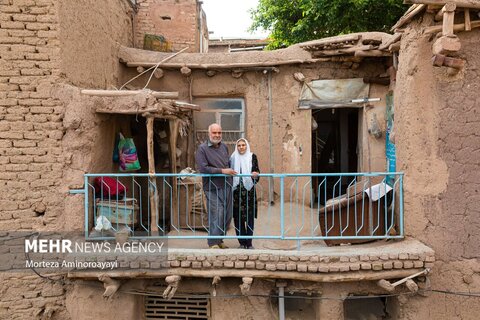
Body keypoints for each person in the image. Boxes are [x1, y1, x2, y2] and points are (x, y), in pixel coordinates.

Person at [196, 123, 237, 249]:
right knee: (216, 214)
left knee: (227, 215)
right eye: (214, 133)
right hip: (212, 187)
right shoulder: (202, 149)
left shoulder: (224, 146)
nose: (217, 135)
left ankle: (219, 240)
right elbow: (203, 168)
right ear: (209, 134)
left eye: (219, 132)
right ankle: (213, 242)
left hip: (227, 185)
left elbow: (228, 163)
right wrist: (222, 171)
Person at [230, 138, 260, 249]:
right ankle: (242, 242)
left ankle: (249, 242)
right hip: (236, 192)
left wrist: (255, 174)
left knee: (250, 217)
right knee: (238, 218)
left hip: (249, 192)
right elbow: (230, 173)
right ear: (236, 147)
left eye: (243, 145)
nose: (241, 147)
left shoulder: (252, 157)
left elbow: (257, 172)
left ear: (246, 146)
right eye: (239, 145)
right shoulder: (233, 158)